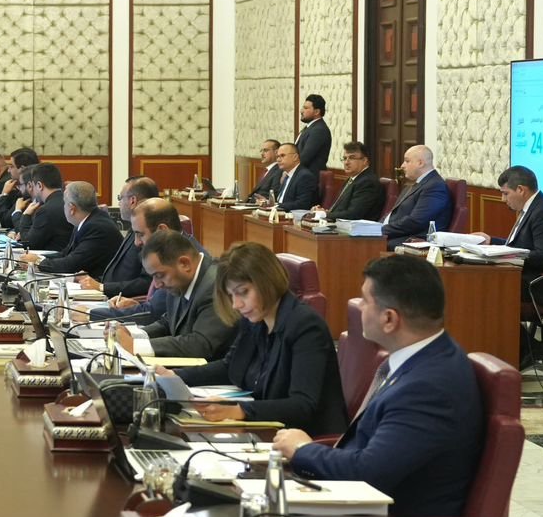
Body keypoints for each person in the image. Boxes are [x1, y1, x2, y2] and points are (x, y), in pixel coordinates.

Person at [274, 255, 482, 517]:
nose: (359, 306)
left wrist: (303, 450)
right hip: (361, 505)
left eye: (365, 300)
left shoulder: (428, 388)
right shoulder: (427, 357)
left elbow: (366, 474)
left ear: (389, 319)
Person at [165, 242, 345, 432]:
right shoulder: (256, 319)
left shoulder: (306, 326)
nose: (236, 304)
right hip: (266, 429)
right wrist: (177, 376)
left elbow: (302, 405)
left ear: (267, 281)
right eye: (231, 295)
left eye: (243, 292)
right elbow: (231, 366)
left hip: (306, 439)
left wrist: (238, 410)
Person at [123, 230, 234, 360]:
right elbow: (167, 323)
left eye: (159, 275)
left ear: (184, 264)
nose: (157, 285)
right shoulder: (179, 281)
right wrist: (132, 334)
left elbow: (201, 344)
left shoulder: (215, 286)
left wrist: (136, 346)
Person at [478, 165, 543, 309]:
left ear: (521, 190)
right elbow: (522, 246)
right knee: (483, 279)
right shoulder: (533, 207)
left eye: (506, 193)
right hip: (530, 277)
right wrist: (491, 241)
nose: (503, 199)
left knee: (487, 285)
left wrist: (507, 256)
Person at [22, 182, 122, 276]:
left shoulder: (97, 227)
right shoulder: (86, 221)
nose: (63, 207)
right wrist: (37, 258)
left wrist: (38, 262)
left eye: (64, 203)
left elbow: (71, 264)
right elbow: (66, 254)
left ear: (72, 208)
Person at [381, 144, 454, 247]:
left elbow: (416, 222)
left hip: (414, 239)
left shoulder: (435, 186)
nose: (402, 166)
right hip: (398, 234)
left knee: (366, 244)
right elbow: (394, 214)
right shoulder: (416, 183)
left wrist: (380, 230)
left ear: (420, 163)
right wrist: (375, 227)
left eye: (407, 161)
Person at [320, 141, 386, 221]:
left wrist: (324, 214)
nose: (346, 162)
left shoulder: (367, 182)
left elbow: (353, 214)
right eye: (345, 158)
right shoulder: (351, 179)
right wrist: (324, 212)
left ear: (364, 161)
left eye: (351, 158)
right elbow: (341, 209)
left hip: (357, 228)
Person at [12, 162, 71, 251]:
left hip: (52, 256)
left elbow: (29, 244)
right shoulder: (69, 201)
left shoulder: (45, 210)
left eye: (34, 185)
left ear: (39, 185)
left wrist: (26, 215)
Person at [256, 142, 320, 212]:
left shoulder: (305, 176)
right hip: (279, 213)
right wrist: (268, 203)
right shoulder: (287, 175)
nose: (278, 160)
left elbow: (302, 205)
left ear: (295, 157)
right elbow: (281, 200)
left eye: (282, 155)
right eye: (277, 157)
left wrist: (275, 205)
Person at [295, 93, 331, 177]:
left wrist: (289, 171)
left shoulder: (319, 130)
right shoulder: (310, 127)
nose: (301, 111)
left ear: (317, 112)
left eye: (306, 108)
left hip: (308, 178)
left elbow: (304, 158)